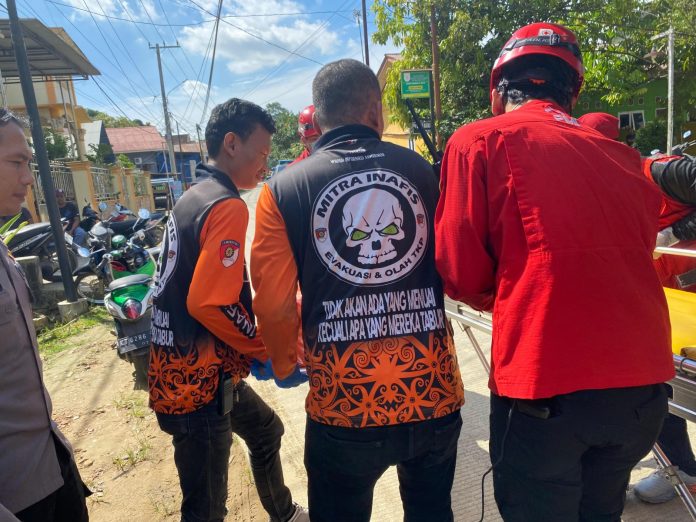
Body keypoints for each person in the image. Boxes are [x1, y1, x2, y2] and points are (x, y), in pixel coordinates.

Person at [435, 22, 674, 521]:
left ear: (498, 93)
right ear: (573, 94)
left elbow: (459, 271)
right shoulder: (626, 158)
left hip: (547, 394)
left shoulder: (478, 140)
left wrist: (514, 296)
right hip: (641, 395)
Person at [251, 58, 465, 522]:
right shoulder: (426, 173)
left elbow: (272, 304)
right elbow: (458, 267)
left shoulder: (281, 190)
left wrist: (285, 362)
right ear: (375, 111)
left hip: (344, 401)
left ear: (318, 115)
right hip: (430, 389)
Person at [148, 98, 308, 522]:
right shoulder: (227, 206)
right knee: (205, 508)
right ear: (232, 144)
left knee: (266, 431)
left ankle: (284, 512)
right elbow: (208, 301)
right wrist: (260, 348)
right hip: (198, 386)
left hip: (193, 371)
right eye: (262, 152)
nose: (265, 164)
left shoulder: (194, 196)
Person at [0, 109, 90, 521]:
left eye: (29, 164)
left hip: (50, 459)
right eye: (16, 163)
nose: (28, 178)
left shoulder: (4, 251)